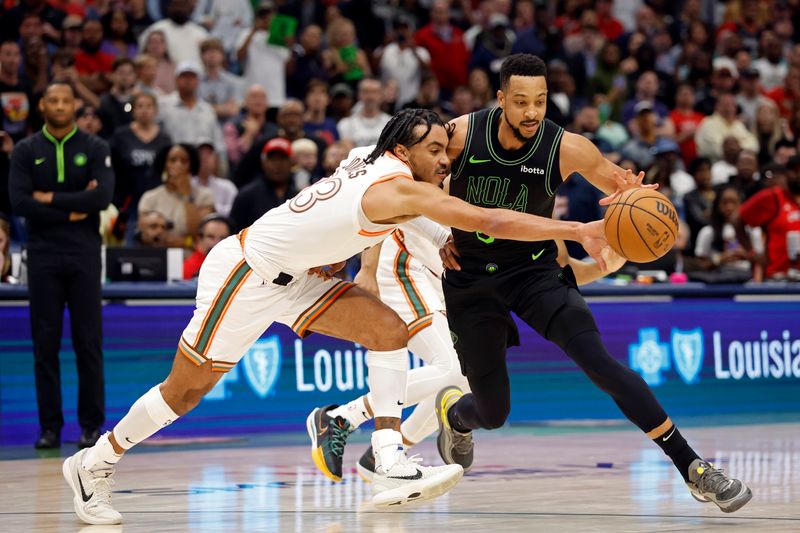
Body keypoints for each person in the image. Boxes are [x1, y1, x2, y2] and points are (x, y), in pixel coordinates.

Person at [64, 107, 612, 524]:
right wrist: (576, 230)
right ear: (403, 148)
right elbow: (487, 216)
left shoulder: (375, 166)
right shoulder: (396, 186)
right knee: (183, 393)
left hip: (304, 278)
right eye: (435, 150)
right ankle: (95, 462)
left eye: (448, 148)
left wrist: (434, 234)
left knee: (389, 331)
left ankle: (387, 455)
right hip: (246, 273)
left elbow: (396, 205)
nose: (446, 159)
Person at [434, 54, 752, 513]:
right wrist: (435, 235)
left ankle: (694, 469)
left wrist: (638, 201)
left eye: (540, 101)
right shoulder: (461, 135)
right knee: (493, 412)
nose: (531, 112)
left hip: (534, 271)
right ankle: (455, 416)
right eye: (520, 102)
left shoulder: (567, 147)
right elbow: (414, 187)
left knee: (600, 361)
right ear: (500, 98)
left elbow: (624, 189)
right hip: (468, 279)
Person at [8, 82, 114, 450]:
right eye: (52, 99)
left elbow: (102, 197)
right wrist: (74, 207)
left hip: (84, 253)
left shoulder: (95, 146)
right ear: (41, 105)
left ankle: (91, 426)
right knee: (45, 345)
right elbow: (20, 202)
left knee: (89, 343)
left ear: (74, 105)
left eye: (65, 100)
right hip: (42, 255)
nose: (59, 105)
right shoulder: (26, 150)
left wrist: (50, 198)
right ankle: (49, 428)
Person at [108, 92, 172, 229]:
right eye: (140, 106)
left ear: (155, 110)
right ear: (133, 110)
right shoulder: (121, 136)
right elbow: (112, 168)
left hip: (157, 202)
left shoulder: (165, 139)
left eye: (149, 106)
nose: (144, 110)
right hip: (127, 200)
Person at [138, 143, 215, 248]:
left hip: (190, 258)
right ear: (164, 164)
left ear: (191, 165)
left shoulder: (205, 196)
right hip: (158, 256)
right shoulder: (150, 198)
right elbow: (142, 236)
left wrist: (187, 194)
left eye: (184, 161)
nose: (178, 165)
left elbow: (199, 232)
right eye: (173, 160)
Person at [739, 154, 800, 280]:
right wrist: (751, 252)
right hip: (778, 277)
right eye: (795, 171)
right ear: (786, 174)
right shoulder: (772, 197)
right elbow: (737, 219)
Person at [229, 137, 298, 230]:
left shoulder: (299, 195)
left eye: (282, 159)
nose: (277, 165)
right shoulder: (246, 196)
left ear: (292, 162)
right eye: (272, 159)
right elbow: (233, 233)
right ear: (263, 162)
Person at [337, 78, 391, 148]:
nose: (370, 96)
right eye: (366, 92)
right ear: (359, 94)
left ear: (382, 95)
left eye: (375, 92)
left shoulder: (391, 123)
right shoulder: (345, 124)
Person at [183, 213, 232, 279]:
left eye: (222, 238)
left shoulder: (235, 266)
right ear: (199, 239)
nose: (217, 242)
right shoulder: (187, 268)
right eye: (211, 237)